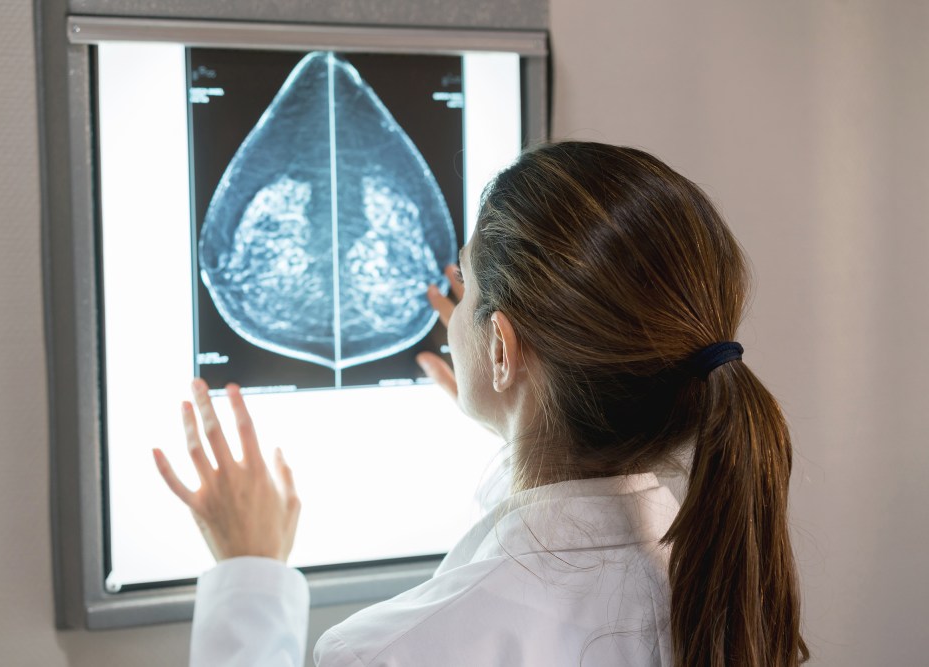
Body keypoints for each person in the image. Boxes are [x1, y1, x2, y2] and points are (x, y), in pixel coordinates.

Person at [153, 141, 810, 666]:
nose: (449, 312)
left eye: (464, 287)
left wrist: (249, 576)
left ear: (502, 347)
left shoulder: (385, 653)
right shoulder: (720, 578)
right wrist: (513, 407)